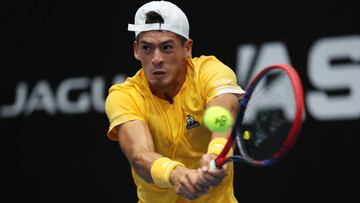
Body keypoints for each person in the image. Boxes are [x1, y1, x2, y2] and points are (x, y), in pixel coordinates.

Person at [105, 1, 245, 202]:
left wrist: (216, 153)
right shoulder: (124, 95)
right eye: (147, 48)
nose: (156, 59)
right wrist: (176, 174)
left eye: (166, 47)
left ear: (187, 48)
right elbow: (140, 155)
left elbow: (222, 113)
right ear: (136, 50)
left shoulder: (209, 72)